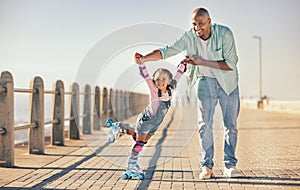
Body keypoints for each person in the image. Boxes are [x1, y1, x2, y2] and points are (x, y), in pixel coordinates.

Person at [134, 7, 241, 179]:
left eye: (201, 23)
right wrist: (144, 58)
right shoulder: (190, 37)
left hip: (228, 83)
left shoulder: (224, 34)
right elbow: (167, 51)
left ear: (209, 22)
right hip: (205, 82)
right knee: (204, 125)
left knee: (231, 124)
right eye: (194, 24)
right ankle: (207, 166)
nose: (197, 27)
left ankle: (230, 165)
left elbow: (230, 64)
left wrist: (202, 61)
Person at [112, 61, 186, 178]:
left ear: (169, 81)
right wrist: (141, 63)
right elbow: (146, 75)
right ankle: (131, 167)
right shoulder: (154, 90)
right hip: (146, 121)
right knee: (139, 143)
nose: (160, 81)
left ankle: (122, 127)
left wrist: (183, 64)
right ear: (154, 80)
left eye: (163, 79)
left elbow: (179, 74)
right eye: (157, 79)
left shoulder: (171, 89)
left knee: (141, 139)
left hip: (155, 123)